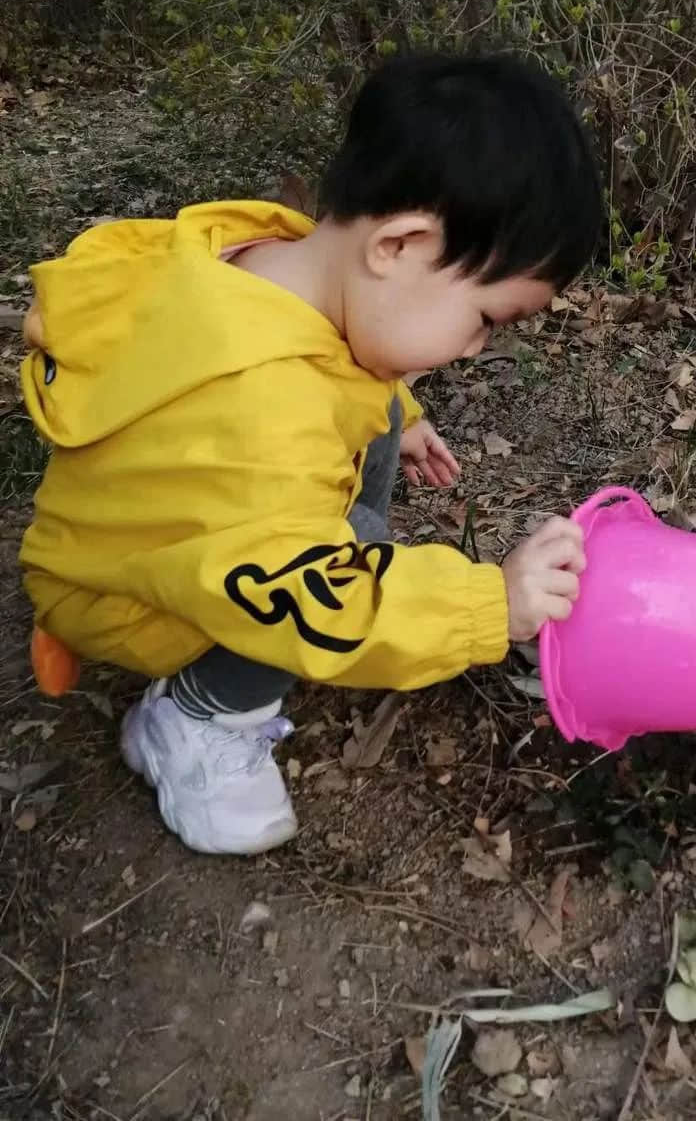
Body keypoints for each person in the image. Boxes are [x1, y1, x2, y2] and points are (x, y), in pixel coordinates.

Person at [19, 53, 603, 856]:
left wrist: (398, 412)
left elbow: (326, 364)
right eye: (487, 319)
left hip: (121, 525)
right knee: (333, 568)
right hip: (119, 589)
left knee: (368, 424)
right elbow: (316, 596)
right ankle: (189, 722)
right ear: (398, 244)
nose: (474, 348)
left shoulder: (265, 254)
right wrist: (489, 606)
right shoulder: (263, 421)